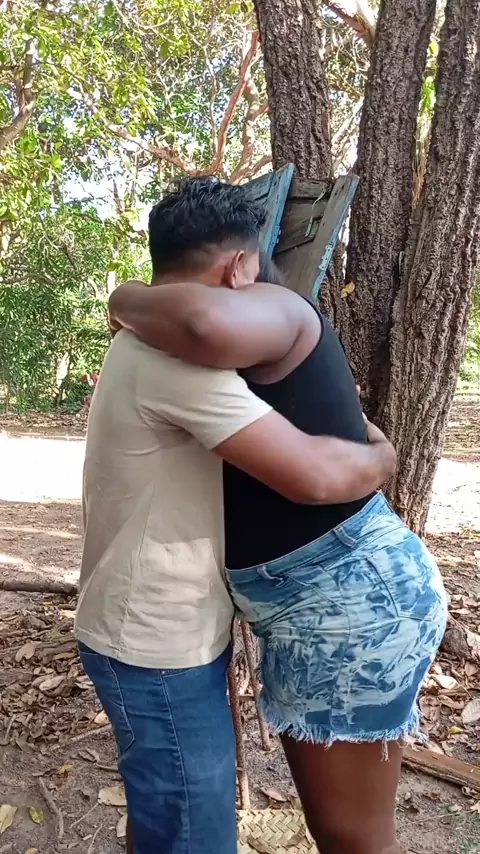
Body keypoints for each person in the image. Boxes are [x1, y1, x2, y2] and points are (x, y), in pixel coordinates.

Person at [110, 184, 448, 854]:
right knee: (338, 830)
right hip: (313, 600)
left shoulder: (280, 305)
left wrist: (122, 298)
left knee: (354, 838)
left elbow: (203, 324)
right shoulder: (203, 330)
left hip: (349, 595)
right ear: (239, 261)